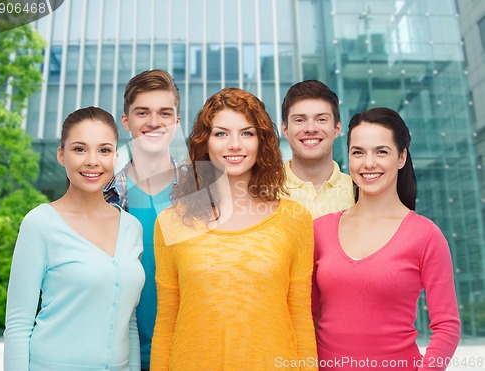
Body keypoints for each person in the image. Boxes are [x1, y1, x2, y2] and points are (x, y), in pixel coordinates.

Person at [151, 88, 317, 370]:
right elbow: (167, 322)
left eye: (247, 133)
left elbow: (300, 319)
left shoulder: (295, 220)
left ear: (262, 142)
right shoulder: (171, 222)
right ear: (204, 143)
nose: (235, 144)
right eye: (221, 133)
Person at [312, 107, 461, 370]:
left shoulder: (426, 235)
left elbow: (447, 326)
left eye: (381, 151)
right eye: (358, 152)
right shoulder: (319, 231)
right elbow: (306, 315)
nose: (368, 163)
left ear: (401, 157)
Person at [4, 106, 145, 370]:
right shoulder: (40, 223)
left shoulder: (132, 228)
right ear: (61, 155)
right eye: (79, 149)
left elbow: (130, 322)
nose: (92, 161)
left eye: (104, 150)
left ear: (115, 156)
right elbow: (18, 325)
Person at [103, 69, 182, 370]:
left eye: (164, 113)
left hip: (186, 351)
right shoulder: (103, 194)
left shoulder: (202, 195)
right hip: (119, 355)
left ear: (176, 122)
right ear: (126, 121)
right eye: (142, 112)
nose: (153, 122)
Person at [281, 80, 355, 218]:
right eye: (299, 120)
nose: (310, 129)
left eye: (321, 119)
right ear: (285, 130)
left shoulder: (359, 191)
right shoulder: (264, 191)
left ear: (337, 129)